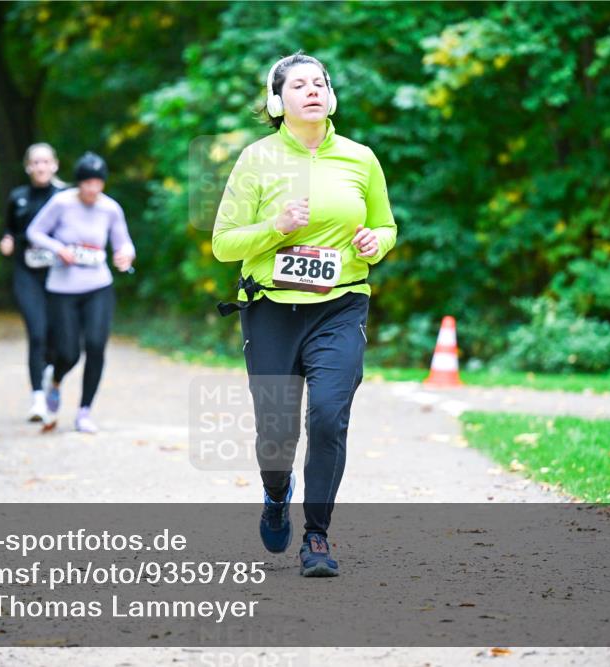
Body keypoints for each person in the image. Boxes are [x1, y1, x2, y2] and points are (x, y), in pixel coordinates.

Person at [211, 53, 397, 577]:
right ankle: (276, 494)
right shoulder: (255, 159)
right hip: (271, 308)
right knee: (277, 432)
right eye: (299, 84)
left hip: (341, 305)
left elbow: (386, 227)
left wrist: (374, 242)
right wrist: (275, 226)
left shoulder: (361, 158)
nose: (312, 90)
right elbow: (224, 243)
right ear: (277, 101)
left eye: (320, 82)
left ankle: (317, 535)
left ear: (331, 95)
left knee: (328, 415)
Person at [27, 152, 135, 433]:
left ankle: (84, 411)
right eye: (86, 183)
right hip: (62, 288)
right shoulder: (62, 202)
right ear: (78, 183)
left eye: (97, 183)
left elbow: (124, 243)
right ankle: (55, 380)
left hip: (98, 285)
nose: (92, 189)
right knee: (68, 352)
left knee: (97, 346)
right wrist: (58, 249)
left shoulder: (110, 208)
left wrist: (125, 256)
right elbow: (35, 232)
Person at [0, 143, 68, 421]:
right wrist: (6, 241)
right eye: (35, 162)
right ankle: (37, 400)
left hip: (60, 275)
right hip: (27, 273)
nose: (40, 167)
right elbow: (9, 231)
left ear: (55, 165)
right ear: (28, 167)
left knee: (58, 338)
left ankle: (51, 376)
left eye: (46, 162)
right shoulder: (18, 197)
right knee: (37, 332)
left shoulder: (65, 197)